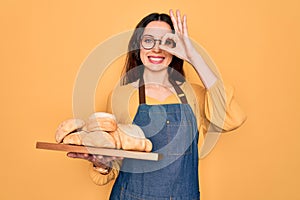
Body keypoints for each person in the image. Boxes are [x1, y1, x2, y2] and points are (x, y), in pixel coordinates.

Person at [67, 9, 246, 200]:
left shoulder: (193, 94)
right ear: (138, 47)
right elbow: (114, 162)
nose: (157, 49)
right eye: (148, 40)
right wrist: (102, 164)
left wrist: (194, 57)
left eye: (166, 42)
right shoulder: (121, 95)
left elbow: (234, 117)